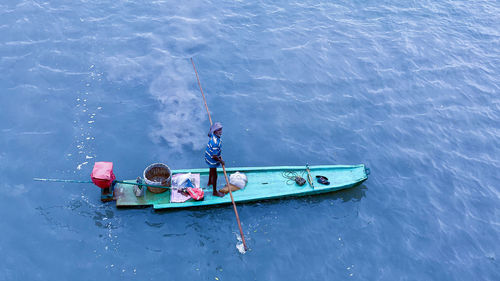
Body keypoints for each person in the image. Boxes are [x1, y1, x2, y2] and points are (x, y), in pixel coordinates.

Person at [205, 122, 225, 197]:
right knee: (215, 174)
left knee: (211, 170)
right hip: (212, 159)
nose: (221, 131)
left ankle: (210, 182)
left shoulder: (212, 135)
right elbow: (214, 156)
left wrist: (211, 129)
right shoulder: (215, 143)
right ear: (215, 131)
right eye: (219, 130)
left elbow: (208, 134)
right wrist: (221, 161)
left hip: (208, 156)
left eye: (221, 129)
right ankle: (214, 192)